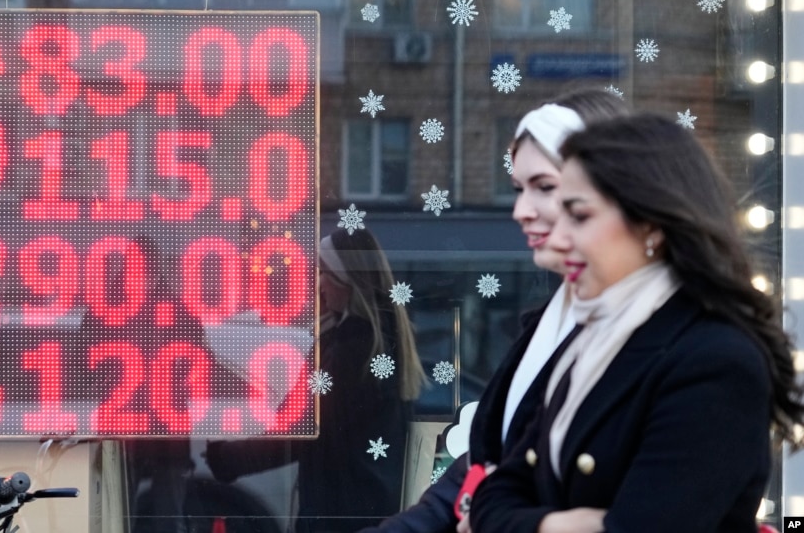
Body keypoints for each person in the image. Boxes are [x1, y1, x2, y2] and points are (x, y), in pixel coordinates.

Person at [470, 114, 804, 533]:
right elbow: (493, 494)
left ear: (650, 224)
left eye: (579, 216)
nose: (557, 238)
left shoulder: (713, 359)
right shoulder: (594, 338)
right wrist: (559, 526)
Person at [359, 89, 628, 533]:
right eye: (520, 189)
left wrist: (498, 519)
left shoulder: (668, 334)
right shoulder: (550, 324)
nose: (522, 211)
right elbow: (489, 463)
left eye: (544, 187)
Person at [207, 227, 426, 533]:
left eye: (323, 272)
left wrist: (224, 457)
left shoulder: (350, 353)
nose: (318, 283)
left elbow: (300, 430)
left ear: (344, 280)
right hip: (367, 510)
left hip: (338, 515)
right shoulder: (380, 342)